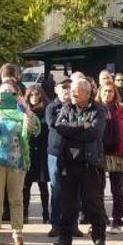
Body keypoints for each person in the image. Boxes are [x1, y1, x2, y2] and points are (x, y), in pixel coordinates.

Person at [50, 77, 111, 245]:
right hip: (69, 163)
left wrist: (72, 131)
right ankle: (65, 237)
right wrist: (80, 125)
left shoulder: (98, 109)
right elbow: (59, 127)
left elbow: (94, 133)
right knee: (68, 203)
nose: (73, 95)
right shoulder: (67, 107)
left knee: (93, 202)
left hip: (89, 163)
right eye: (72, 92)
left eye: (77, 92)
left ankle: (99, 237)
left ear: (87, 93)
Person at [0, 81, 39, 245]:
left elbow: (33, 128)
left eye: (11, 93)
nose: (7, 96)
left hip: (17, 161)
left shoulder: (21, 113)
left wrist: (25, 107)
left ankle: (17, 233)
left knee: (16, 199)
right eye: (4, 93)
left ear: (17, 95)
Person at [98, 80, 123, 232]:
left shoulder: (122, 110)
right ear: (100, 93)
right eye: (105, 91)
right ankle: (100, 219)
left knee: (117, 190)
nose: (107, 94)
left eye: (110, 91)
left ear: (115, 93)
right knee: (98, 189)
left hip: (117, 154)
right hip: (99, 153)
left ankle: (117, 221)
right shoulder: (95, 109)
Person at [44, 77, 71, 236]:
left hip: (72, 153)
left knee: (72, 190)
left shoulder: (74, 106)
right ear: (56, 89)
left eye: (68, 87)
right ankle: (55, 223)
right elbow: (53, 123)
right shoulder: (51, 107)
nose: (66, 90)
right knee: (56, 189)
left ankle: (71, 224)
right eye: (63, 87)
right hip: (55, 152)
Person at [21, 84, 51, 223]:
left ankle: (46, 213)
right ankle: (25, 213)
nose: (34, 97)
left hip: (42, 152)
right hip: (28, 152)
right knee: (26, 185)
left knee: (43, 185)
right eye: (31, 95)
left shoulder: (46, 111)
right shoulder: (23, 112)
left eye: (37, 94)